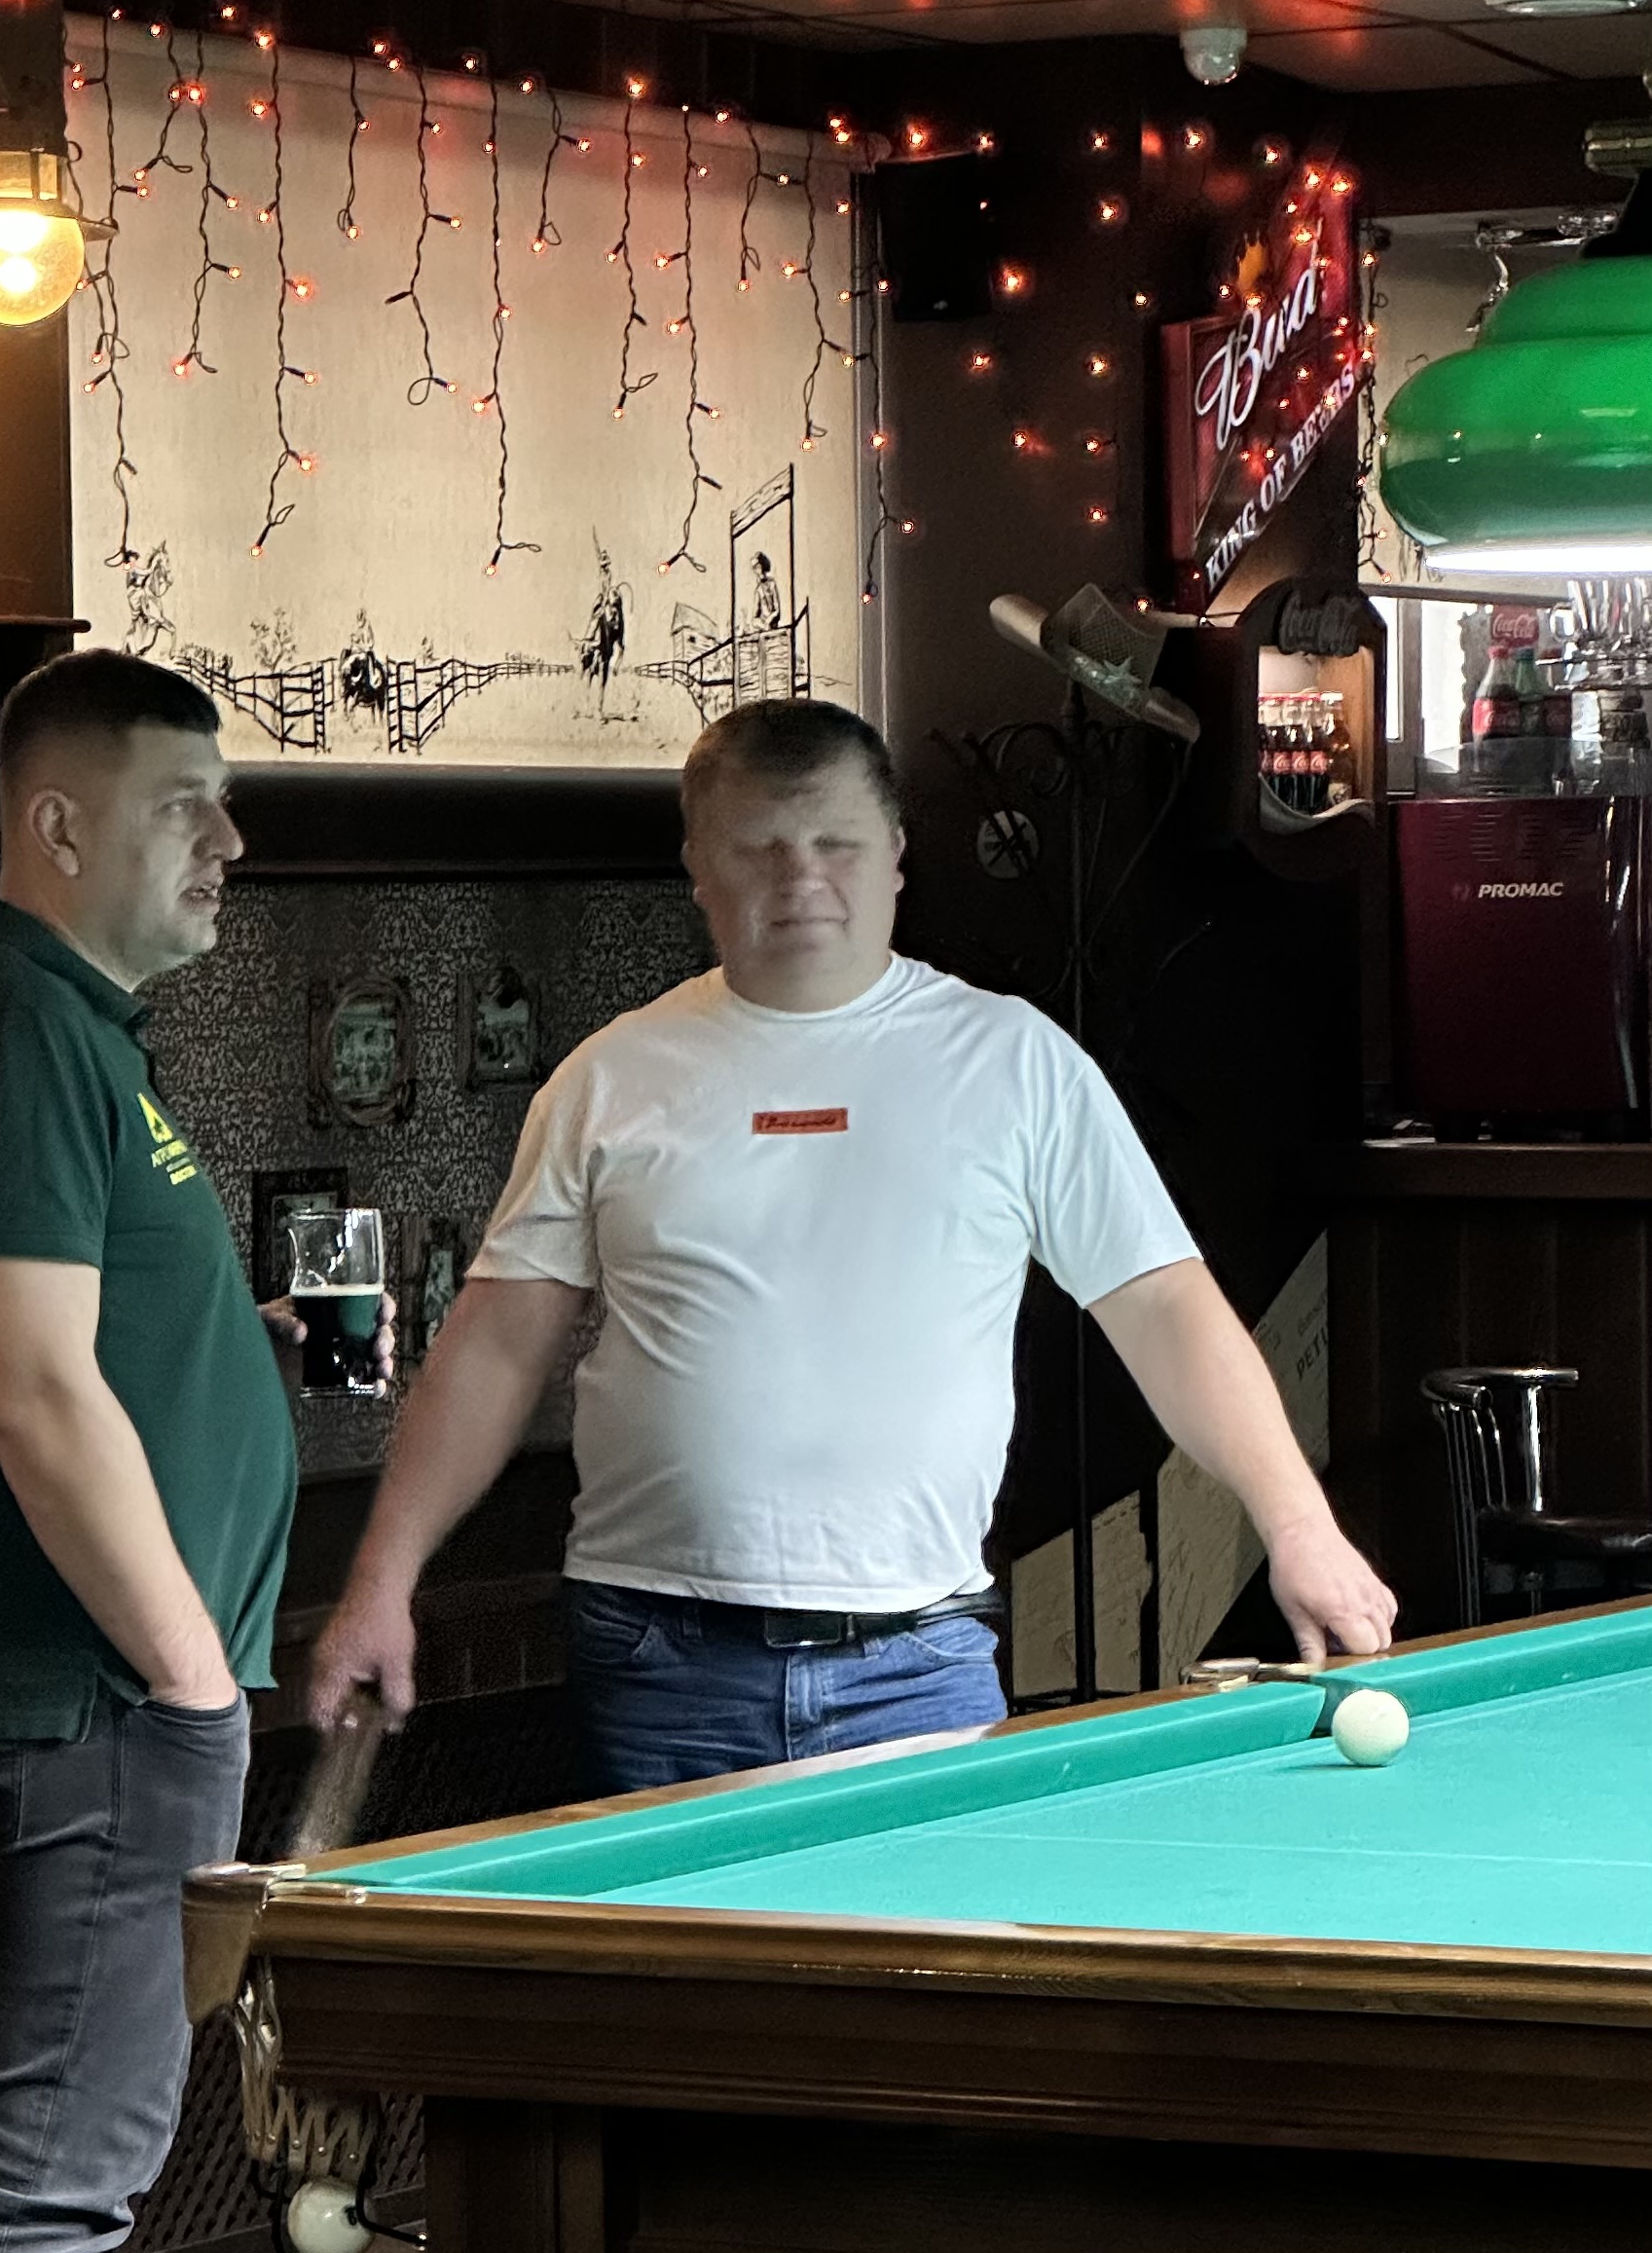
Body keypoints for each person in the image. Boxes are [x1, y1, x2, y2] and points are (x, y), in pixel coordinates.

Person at [309, 696, 1392, 1790]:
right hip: (656, 1659)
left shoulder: (1016, 1063)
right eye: (760, 848)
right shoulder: (608, 1079)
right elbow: (496, 1348)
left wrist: (1299, 1526)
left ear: (897, 859)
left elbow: (1164, 1309)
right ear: (699, 868)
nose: (802, 879)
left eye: (837, 843)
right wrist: (380, 1580)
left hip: (919, 1659)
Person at [0, 649, 308, 2253]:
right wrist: (188, 1678)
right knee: (46, 2190)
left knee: (56, 2179)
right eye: (184, 807)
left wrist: (228, 1342)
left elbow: (68, 1333)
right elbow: (33, 1387)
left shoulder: (50, 1022)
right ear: (55, 824)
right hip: (100, 1699)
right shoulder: (17, 1025)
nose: (228, 843)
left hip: (98, 1698)